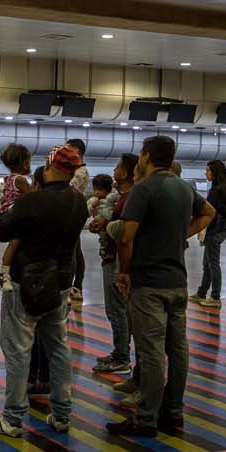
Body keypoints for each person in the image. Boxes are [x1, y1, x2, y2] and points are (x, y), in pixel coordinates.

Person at [110, 136, 215, 437]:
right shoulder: (184, 187)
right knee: (178, 350)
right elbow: (209, 213)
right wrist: (182, 233)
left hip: (149, 284)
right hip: (178, 283)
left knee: (152, 352)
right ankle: (174, 413)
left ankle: (145, 419)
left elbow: (127, 235)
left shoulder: (144, 189)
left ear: (145, 157)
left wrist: (125, 271)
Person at [0, 145, 88, 438]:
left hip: (27, 282)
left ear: (51, 166)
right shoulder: (78, 202)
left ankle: (13, 419)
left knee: (18, 350)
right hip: (60, 284)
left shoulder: (33, 201)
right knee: (58, 347)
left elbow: (2, 231)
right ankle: (61, 414)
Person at [90, 155, 138, 375]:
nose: (114, 170)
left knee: (116, 309)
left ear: (127, 173)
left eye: (118, 167)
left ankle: (121, 357)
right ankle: (120, 352)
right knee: (119, 309)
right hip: (112, 257)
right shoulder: (121, 198)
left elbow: (124, 232)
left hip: (117, 260)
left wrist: (106, 225)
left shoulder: (130, 198)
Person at [193, 160, 226, 310]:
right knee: (208, 263)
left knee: (213, 264)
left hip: (214, 231)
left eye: (208, 171)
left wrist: (201, 231)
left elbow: (208, 212)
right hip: (222, 229)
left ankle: (215, 297)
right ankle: (201, 293)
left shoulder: (215, 191)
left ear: (214, 172)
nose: (206, 173)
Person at [0, 143, 33, 293]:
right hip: (12, 215)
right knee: (14, 243)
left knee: (14, 244)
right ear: (24, 164)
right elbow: (31, 196)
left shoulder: (10, 178)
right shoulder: (21, 180)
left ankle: (5, 272)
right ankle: (3, 274)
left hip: (7, 214)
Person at [66, 138, 90, 305]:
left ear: (77, 152)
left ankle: (70, 288)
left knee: (72, 253)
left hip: (72, 215)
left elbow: (68, 190)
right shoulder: (75, 171)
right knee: (77, 252)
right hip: (72, 214)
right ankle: (77, 287)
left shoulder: (80, 172)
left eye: (68, 151)